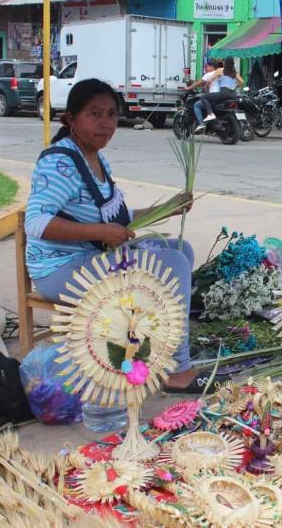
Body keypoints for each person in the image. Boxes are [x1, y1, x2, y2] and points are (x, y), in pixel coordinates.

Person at [25, 79, 225, 393]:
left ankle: (152, 343)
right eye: (94, 115)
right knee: (172, 264)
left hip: (89, 258)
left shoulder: (94, 157)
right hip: (59, 270)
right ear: (71, 119)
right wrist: (99, 232)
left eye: (111, 115)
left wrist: (167, 208)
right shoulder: (60, 163)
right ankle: (176, 367)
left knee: (180, 250)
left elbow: (115, 219)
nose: (105, 124)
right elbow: (35, 223)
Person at [194, 57, 244, 133]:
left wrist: (207, 89)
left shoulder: (220, 70)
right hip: (233, 95)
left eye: (223, 61)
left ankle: (210, 114)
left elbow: (208, 82)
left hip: (223, 94)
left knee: (203, 97)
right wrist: (235, 87)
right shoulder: (234, 73)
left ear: (225, 63)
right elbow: (242, 82)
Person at [185, 59, 222, 127]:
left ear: (212, 67)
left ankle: (201, 123)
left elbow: (198, 83)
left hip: (213, 96)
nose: (206, 68)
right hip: (221, 96)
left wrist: (188, 88)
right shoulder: (220, 73)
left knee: (196, 105)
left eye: (207, 67)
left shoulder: (209, 74)